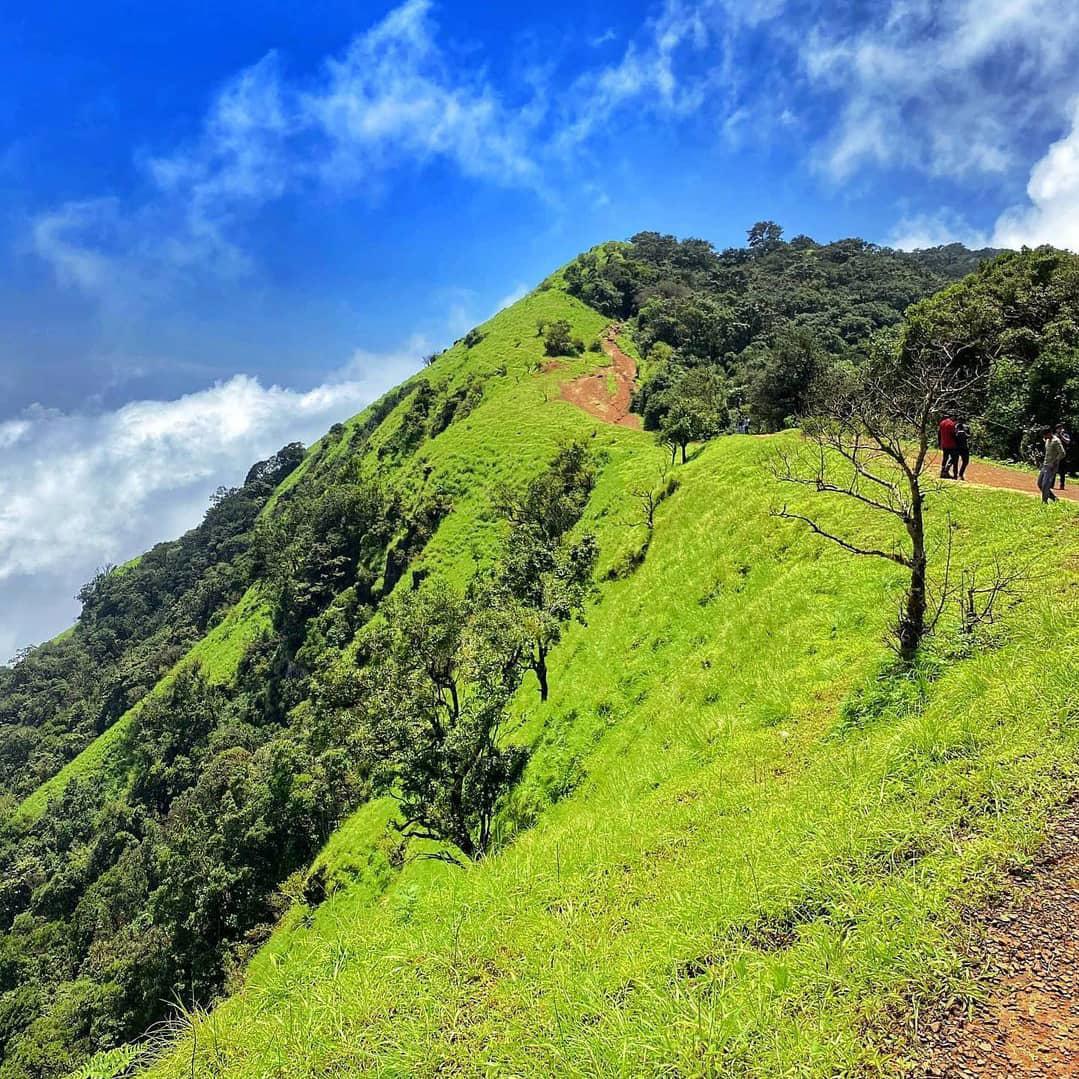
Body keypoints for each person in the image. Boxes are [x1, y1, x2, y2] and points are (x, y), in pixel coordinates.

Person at [1038, 427, 1065, 503]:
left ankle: (1044, 502)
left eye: (1045, 435)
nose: (1044, 437)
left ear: (1049, 433)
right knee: (1040, 483)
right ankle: (1054, 498)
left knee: (1045, 485)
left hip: (1051, 466)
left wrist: (1055, 462)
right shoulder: (1047, 440)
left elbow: (1062, 453)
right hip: (1045, 465)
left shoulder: (1056, 441)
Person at [938, 413, 958, 478]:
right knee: (954, 459)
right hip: (952, 445)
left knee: (945, 458)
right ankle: (954, 474)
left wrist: (939, 443)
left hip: (944, 444)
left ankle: (942, 471)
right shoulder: (951, 424)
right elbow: (953, 435)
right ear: (952, 417)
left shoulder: (942, 423)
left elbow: (939, 433)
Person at [1055, 423, 1071, 490]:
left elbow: (1068, 442)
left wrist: (1061, 436)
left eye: (1061, 428)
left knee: (1062, 471)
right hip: (1055, 455)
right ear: (1056, 429)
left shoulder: (1065, 435)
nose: (1060, 429)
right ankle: (1051, 484)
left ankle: (1062, 485)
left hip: (1063, 455)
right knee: (1053, 470)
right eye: (1059, 428)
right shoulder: (1054, 436)